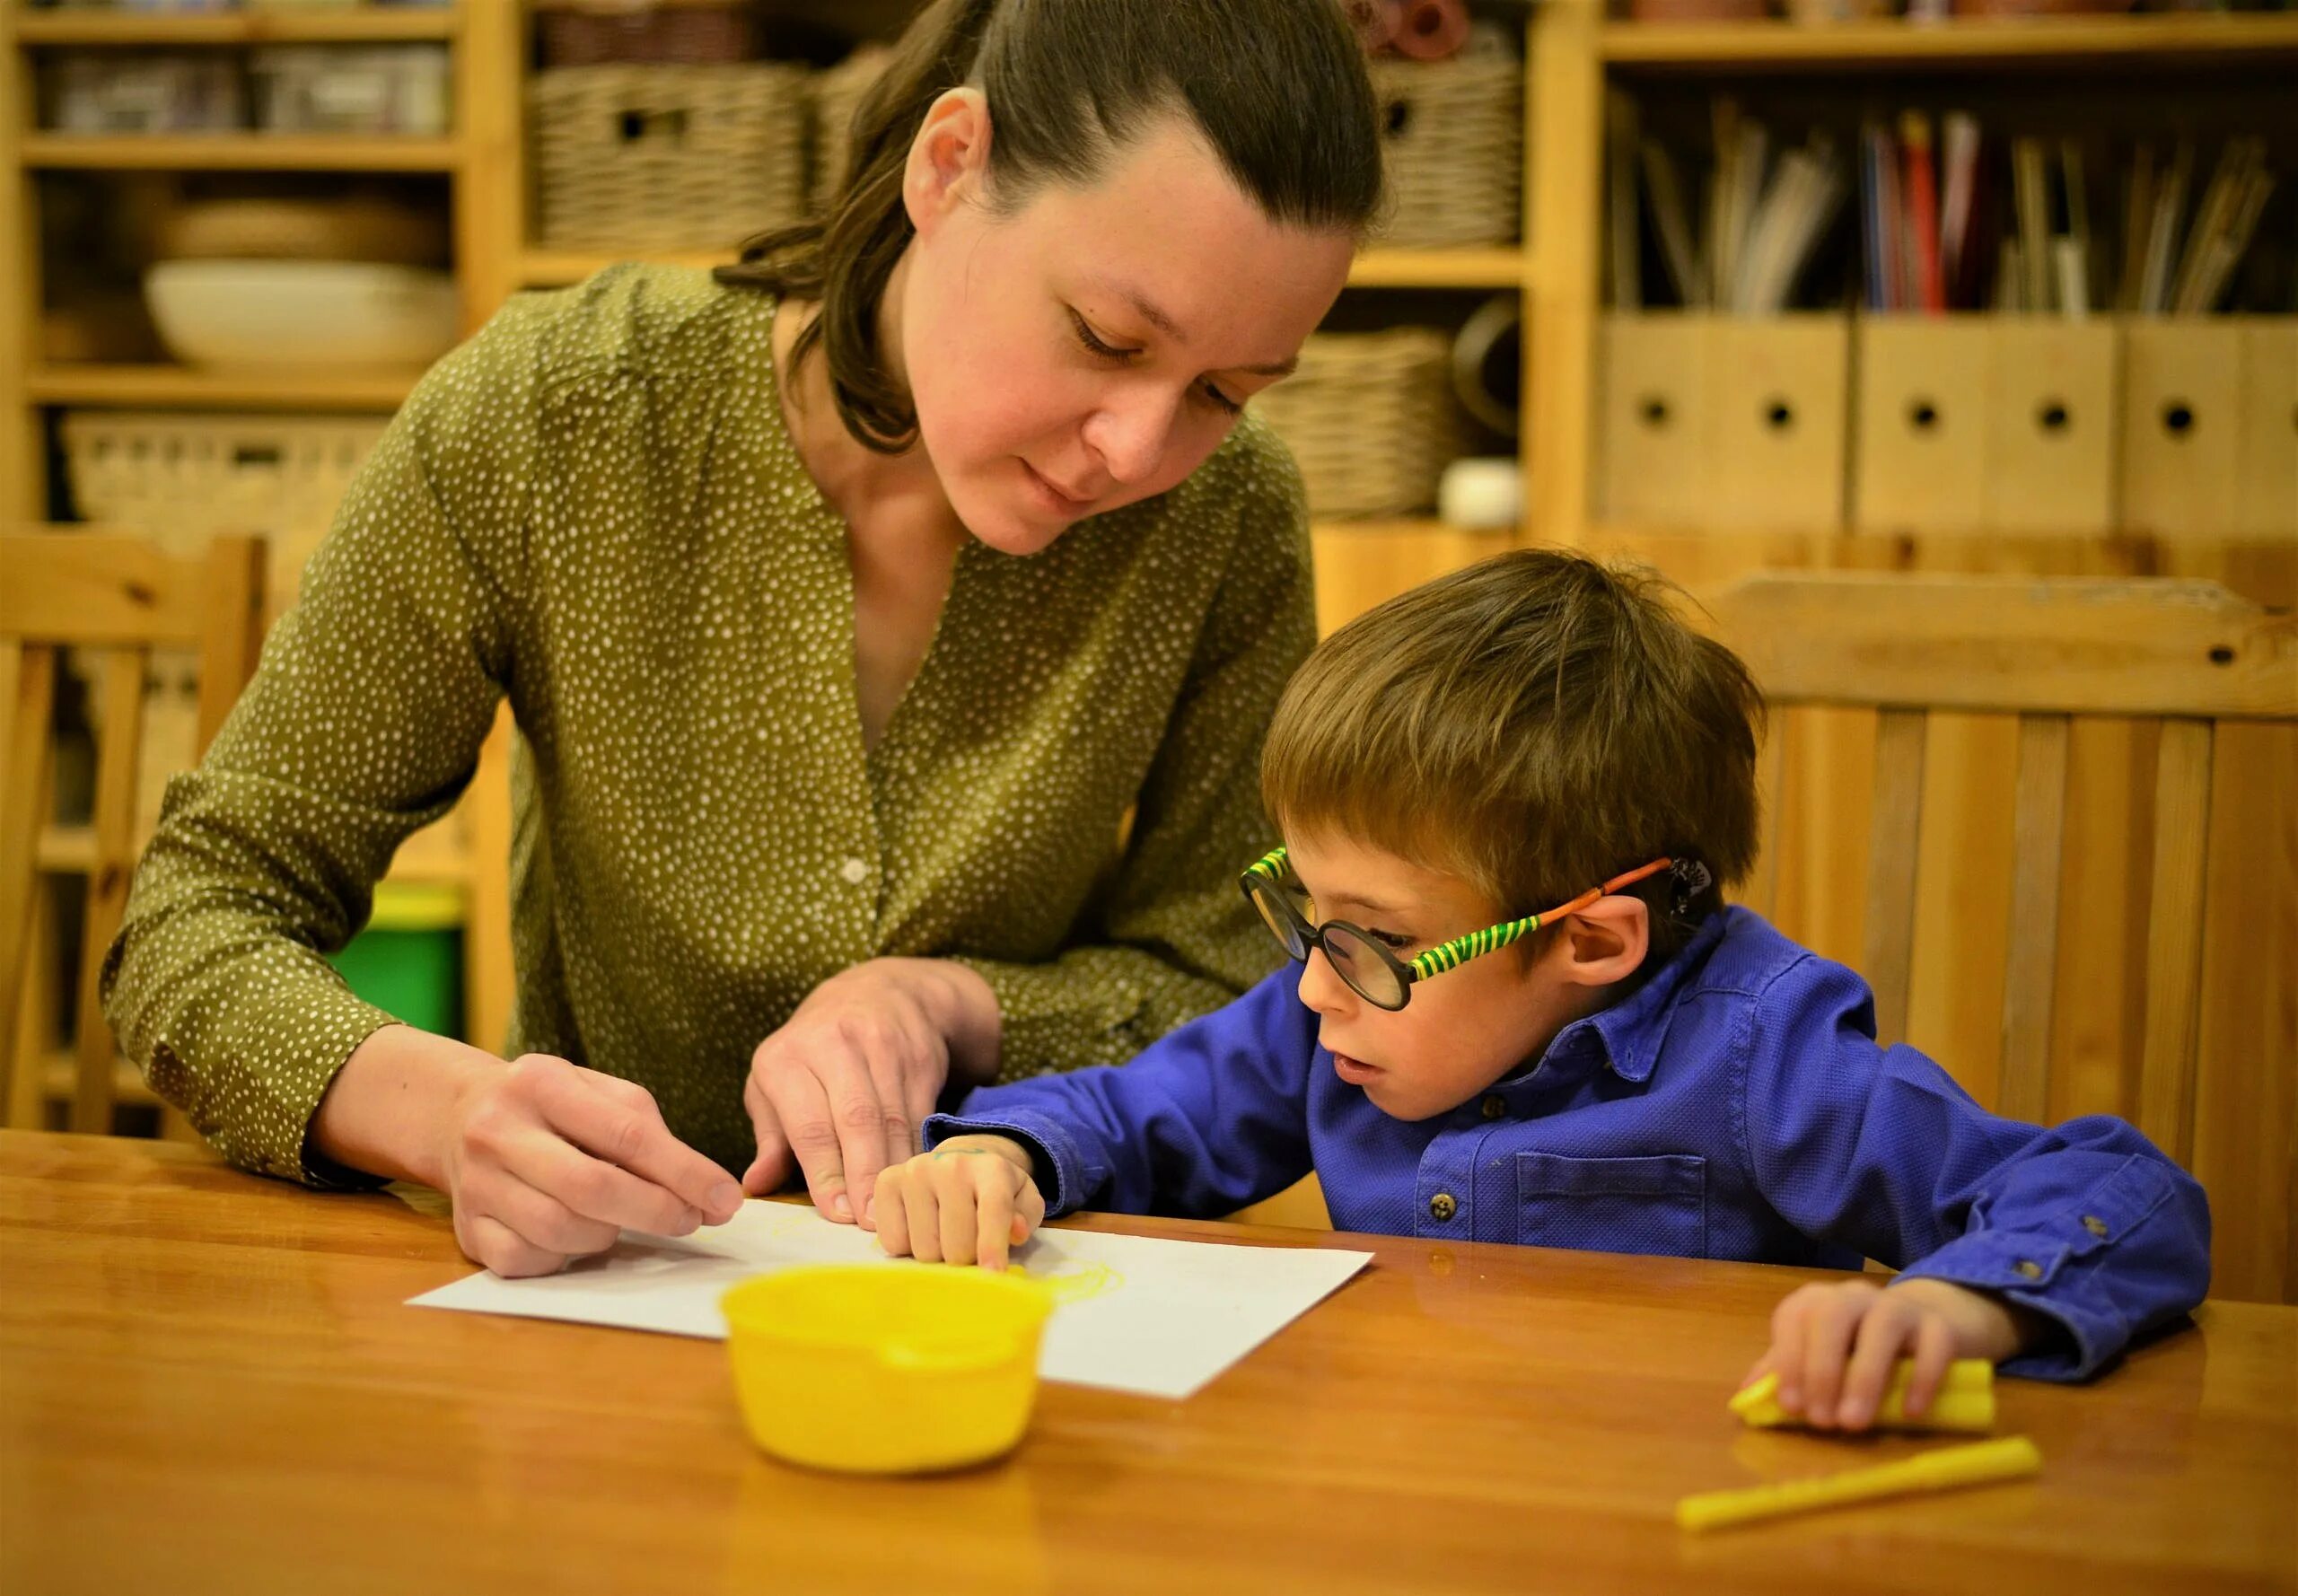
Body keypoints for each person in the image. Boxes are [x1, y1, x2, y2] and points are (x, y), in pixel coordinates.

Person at [101, 0, 1385, 1278]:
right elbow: (195, 917)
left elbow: (1244, 993)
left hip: (1015, 1309)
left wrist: (951, 1006)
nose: (1142, 451)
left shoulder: (1229, 517)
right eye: (1108, 338)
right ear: (951, 168)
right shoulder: (557, 417)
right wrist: (440, 1112)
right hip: (595, 1298)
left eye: (1224, 391)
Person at [876, 549, 2213, 1428]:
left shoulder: (1761, 1050)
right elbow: (1130, 1112)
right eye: (1304, 905)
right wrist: (1003, 1151)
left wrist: (1953, 1302)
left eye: (1375, 938)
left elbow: (2123, 1194)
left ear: (1593, 942)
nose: (1313, 985)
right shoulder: (1337, 1014)